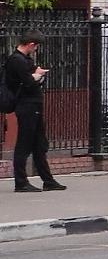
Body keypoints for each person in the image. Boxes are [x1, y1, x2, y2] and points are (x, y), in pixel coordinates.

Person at [6, 36, 64, 193]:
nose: (36, 49)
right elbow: (28, 83)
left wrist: (36, 76)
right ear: (31, 44)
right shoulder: (17, 60)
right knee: (24, 144)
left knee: (39, 144)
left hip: (34, 105)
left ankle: (48, 180)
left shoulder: (25, 59)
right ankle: (21, 182)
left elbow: (31, 80)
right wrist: (36, 76)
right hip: (27, 106)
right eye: (36, 46)